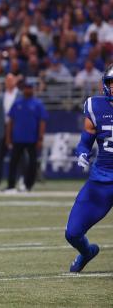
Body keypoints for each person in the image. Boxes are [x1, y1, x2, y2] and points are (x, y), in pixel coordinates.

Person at [65, 65, 113, 272]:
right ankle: (87, 252)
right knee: (72, 233)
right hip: (102, 179)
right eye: (112, 83)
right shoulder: (95, 106)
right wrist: (82, 153)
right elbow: (85, 142)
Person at [5, 80, 48, 192]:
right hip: (17, 138)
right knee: (13, 162)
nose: (27, 90)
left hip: (32, 139)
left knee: (32, 163)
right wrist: (8, 137)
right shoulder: (17, 103)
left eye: (29, 88)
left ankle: (28, 185)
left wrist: (40, 138)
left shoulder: (38, 104)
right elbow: (10, 121)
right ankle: (11, 185)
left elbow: (42, 122)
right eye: (26, 88)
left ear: (32, 89)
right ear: (23, 89)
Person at [0, 73, 19, 190]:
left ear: (15, 81)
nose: (9, 82)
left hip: (17, 130)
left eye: (11, 80)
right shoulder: (0, 96)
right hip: (2, 130)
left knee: (19, 157)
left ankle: (21, 179)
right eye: (7, 80)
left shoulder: (20, 95)